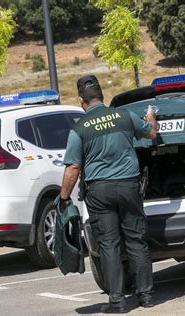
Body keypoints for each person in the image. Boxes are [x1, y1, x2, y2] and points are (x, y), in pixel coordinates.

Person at [59, 75, 157, 313]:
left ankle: (118, 302)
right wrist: (151, 118)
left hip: (100, 192)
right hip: (129, 186)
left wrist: (63, 197)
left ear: (82, 100)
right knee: (136, 240)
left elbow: (73, 167)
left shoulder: (79, 129)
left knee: (109, 246)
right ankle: (146, 297)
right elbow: (151, 134)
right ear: (102, 97)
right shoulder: (124, 116)